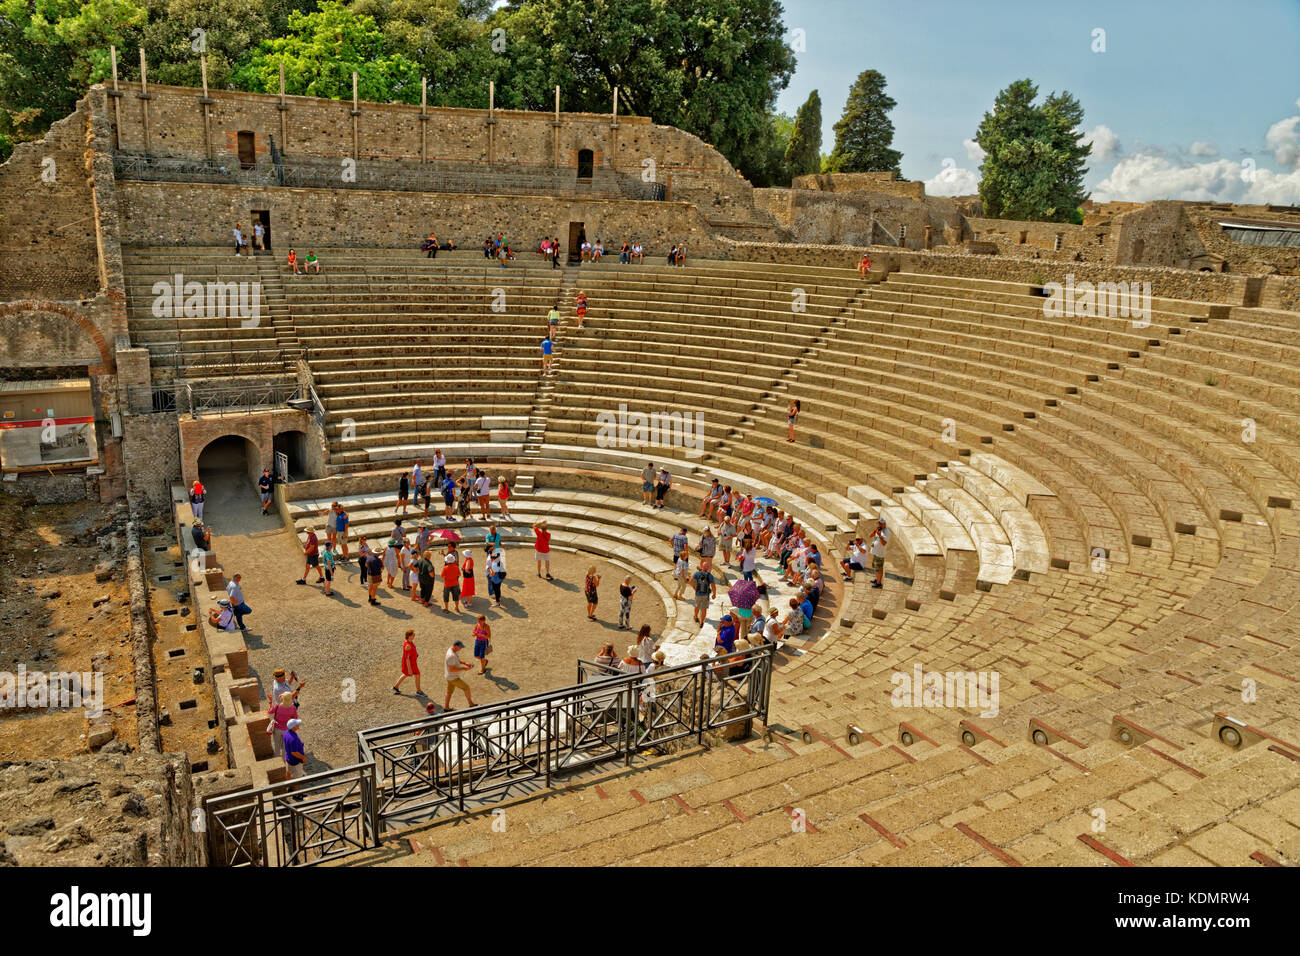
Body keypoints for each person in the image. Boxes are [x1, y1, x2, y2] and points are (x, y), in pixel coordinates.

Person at [444, 640, 476, 710]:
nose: (461, 649)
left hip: (449, 676)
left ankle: (446, 708)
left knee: (449, 692)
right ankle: (471, 704)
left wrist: (465, 663)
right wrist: (463, 668)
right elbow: (452, 669)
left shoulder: (451, 650)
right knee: (466, 687)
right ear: (455, 646)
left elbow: (457, 659)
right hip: (453, 677)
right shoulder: (451, 656)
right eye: (460, 647)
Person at [267, 691, 297, 759]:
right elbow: (295, 718)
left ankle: (276, 759)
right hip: (287, 730)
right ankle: (284, 760)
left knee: (276, 745)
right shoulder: (293, 708)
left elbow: (269, 711)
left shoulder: (277, 706)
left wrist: (270, 702)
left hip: (277, 729)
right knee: (285, 746)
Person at [394, 630, 424, 696]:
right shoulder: (408, 645)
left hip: (413, 662)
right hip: (410, 663)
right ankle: (418, 691)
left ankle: (396, 687)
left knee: (406, 674)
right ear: (409, 636)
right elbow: (407, 658)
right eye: (413, 635)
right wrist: (409, 669)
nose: (414, 636)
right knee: (417, 674)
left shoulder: (409, 642)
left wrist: (416, 654)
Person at [869, 517, 890, 589]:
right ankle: (876, 579)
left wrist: (880, 535)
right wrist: (875, 531)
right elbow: (870, 535)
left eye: (880, 523)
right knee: (876, 567)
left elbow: (884, 543)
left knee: (879, 569)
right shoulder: (878, 529)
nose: (879, 524)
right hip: (875, 552)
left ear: (884, 524)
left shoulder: (886, 532)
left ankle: (879, 583)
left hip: (880, 553)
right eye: (879, 523)